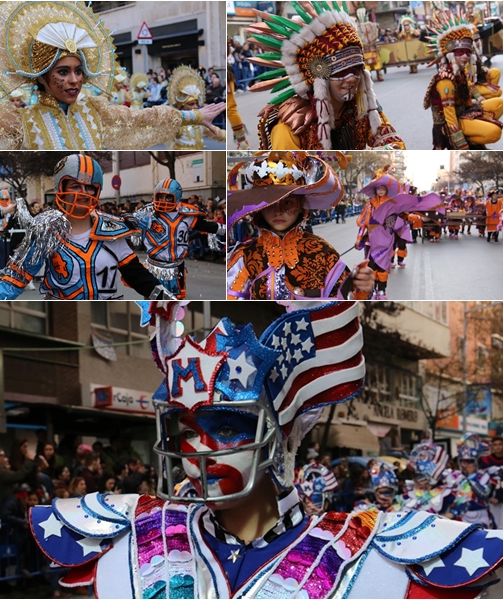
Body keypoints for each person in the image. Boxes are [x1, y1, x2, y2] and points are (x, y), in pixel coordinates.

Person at [29, 301, 502, 598]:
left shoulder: (374, 554)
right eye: (188, 429)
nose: (198, 449)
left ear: (278, 438)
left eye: (226, 426)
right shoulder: (130, 539)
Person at [0, 1, 223, 150]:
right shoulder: (18, 122)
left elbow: (142, 120)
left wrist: (196, 116)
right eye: (63, 72)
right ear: (40, 76)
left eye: (78, 71)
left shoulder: (96, 113)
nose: (74, 80)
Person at [0, 154, 172, 300]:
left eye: (89, 187)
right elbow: (14, 281)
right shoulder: (47, 231)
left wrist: (168, 300)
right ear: (61, 188)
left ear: (97, 189)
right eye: (75, 186)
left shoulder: (112, 230)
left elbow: (139, 277)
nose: (83, 193)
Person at [245, 2, 405, 149]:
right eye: (339, 71)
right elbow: (286, 175)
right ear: (317, 75)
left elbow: (394, 143)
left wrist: (387, 150)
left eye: (356, 69)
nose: (351, 78)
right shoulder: (291, 125)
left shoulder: (362, 106)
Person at [227, 152, 375, 299]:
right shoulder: (245, 255)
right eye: (270, 203)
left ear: (301, 205)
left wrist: (362, 289)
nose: (278, 211)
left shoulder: (322, 252)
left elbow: (341, 306)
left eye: (287, 202)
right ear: (260, 207)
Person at [127, 178, 225, 299]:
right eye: (160, 197)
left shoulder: (186, 215)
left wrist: (227, 229)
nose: (163, 201)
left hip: (176, 268)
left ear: (176, 198)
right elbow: (130, 232)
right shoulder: (147, 214)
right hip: (153, 267)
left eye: (167, 197)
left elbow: (206, 226)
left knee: (175, 302)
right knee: (151, 300)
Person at [355, 166, 444, 299]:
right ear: (375, 189)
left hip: (385, 240)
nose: (381, 190)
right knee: (371, 266)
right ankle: (373, 291)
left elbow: (404, 216)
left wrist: (420, 217)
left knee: (383, 265)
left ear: (386, 190)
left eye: (383, 188)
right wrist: (358, 238)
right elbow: (363, 223)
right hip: (371, 240)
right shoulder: (369, 205)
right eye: (378, 188)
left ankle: (382, 291)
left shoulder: (392, 204)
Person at [423, 9, 502, 149]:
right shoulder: (445, 80)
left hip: (465, 111)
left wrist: (476, 110)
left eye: (467, 52)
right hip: (451, 122)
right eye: (460, 53)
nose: (465, 56)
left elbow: (468, 98)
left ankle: (476, 129)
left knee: (498, 104)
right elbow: (449, 115)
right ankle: (470, 140)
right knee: (494, 132)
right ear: (450, 55)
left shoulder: (460, 71)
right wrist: (459, 142)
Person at [166, 66, 225, 150]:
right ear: (182, 106)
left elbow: (218, 133)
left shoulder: (200, 121)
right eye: (191, 104)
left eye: (196, 104)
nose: (195, 107)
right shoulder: (176, 122)